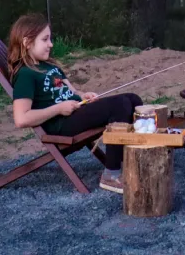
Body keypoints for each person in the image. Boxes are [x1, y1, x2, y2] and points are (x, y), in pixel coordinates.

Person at [8, 13, 142, 194]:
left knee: (133, 100)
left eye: (50, 38)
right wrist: (59, 109)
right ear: (27, 42)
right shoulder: (26, 74)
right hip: (61, 124)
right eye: (45, 39)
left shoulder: (49, 67)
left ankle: (132, 160)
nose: (51, 44)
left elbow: (72, 92)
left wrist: (83, 95)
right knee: (120, 105)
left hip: (74, 112)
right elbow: (21, 118)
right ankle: (111, 174)